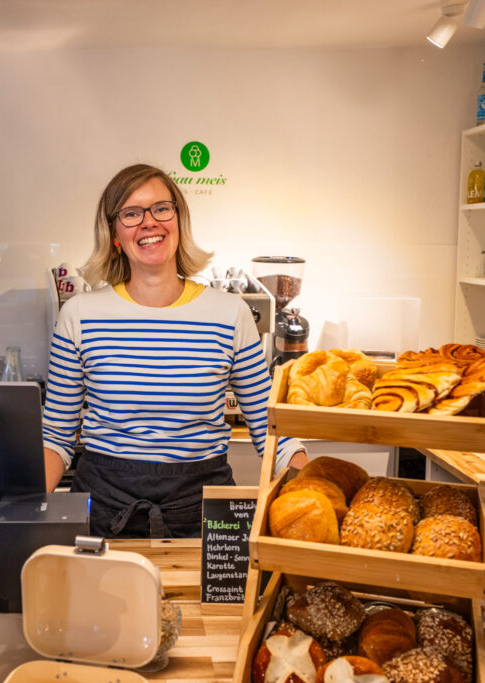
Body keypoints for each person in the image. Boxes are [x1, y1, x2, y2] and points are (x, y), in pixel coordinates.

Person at [41, 163, 306, 538]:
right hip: (104, 513)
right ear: (114, 234)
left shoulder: (230, 314)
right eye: (131, 213)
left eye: (161, 209)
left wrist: (313, 486)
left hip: (203, 513)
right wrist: (16, 515)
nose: (149, 222)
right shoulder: (79, 315)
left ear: (179, 221)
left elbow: (270, 430)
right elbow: (56, 437)